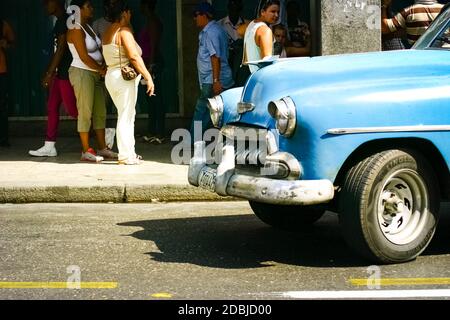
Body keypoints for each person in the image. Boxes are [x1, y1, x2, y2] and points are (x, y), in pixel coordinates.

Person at [103, 0, 154, 165]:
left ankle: (129, 152)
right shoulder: (123, 31)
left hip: (112, 75)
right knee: (126, 116)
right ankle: (125, 155)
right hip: (123, 77)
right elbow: (133, 56)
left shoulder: (108, 31)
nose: (131, 14)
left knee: (126, 115)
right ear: (124, 13)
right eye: (129, 12)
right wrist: (148, 76)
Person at [67, 0, 117, 162]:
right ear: (79, 9)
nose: (92, 9)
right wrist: (101, 69)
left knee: (100, 111)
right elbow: (83, 57)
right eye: (88, 6)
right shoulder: (75, 29)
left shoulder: (87, 27)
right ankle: (86, 150)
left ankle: (102, 148)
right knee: (85, 111)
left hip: (95, 73)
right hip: (82, 73)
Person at [29, 0, 78, 157]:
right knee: (52, 107)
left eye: (47, 3)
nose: (45, 6)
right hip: (59, 72)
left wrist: (49, 73)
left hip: (65, 71)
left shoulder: (64, 20)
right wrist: (51, 72)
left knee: (72, 110)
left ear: (56, 2)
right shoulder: (60, 21)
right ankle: (49, 145)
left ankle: (103, 133)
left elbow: (62, 48)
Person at [190, 2, 234, 142]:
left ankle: (192, 140)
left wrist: (216, 81)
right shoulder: (214, 30)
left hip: (212, 79)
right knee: (211, 111)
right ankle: (200, 140)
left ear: (205, 15)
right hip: (213, 78)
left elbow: (215, 57)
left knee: (202, 109)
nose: (194, 18)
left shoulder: (211, 32)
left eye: (196, 15)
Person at [138, 0, 165, 144]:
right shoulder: (149, 21)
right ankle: (152, 131)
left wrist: (150, 65)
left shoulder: (153, 22)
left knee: (156, 98)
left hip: (152, 64)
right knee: (151, 99)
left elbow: (154, 45)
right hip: (148, 63)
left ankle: (159, 132)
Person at [219, 0, 250, 87]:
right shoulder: (219, 25)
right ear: (228, 10)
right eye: (232, 9)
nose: (234, 12)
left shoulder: (247, 24)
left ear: (240, 10)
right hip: (226, 60)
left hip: (240, 62)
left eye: (237, 9)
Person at [243, 0, 280, 74]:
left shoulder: (251, 24)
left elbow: (239, 30)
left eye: (278, 12)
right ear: (262, 12)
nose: (276, 15)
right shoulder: (265, 31)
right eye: (273, 11)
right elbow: (267, 64)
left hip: (251, 76)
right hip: (261, 78)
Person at [0, 17, 15, 148]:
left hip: (1, 70)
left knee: (2, 106)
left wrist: (6, 44)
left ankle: (3, 139)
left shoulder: (3, 24)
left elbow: (12, 43)